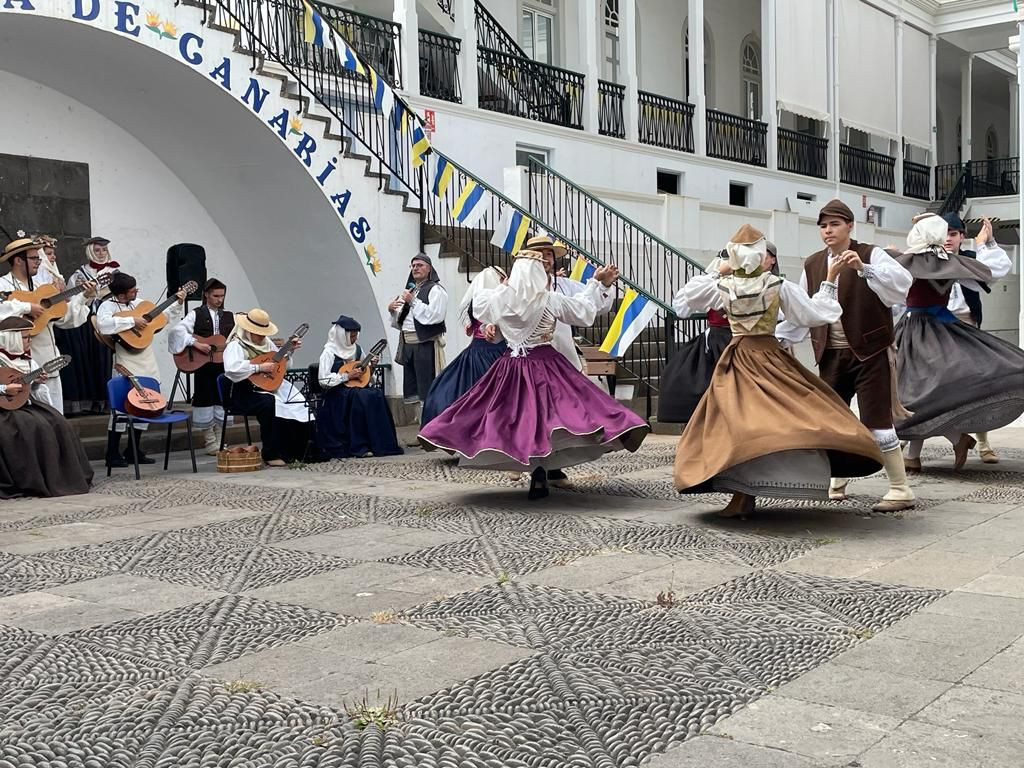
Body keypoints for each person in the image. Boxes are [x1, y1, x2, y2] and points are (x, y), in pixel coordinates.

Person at [675, 225, 883, 517]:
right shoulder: (777, 285)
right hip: (768, 357)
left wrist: (718, 271)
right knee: (775, 418)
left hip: (737, 359)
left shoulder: (723, 285)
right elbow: (814, 314)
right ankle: (743, 492)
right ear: (762, 256)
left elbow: (686, 299)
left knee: (738, 423)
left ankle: (744, 492)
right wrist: (830, 281)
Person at [418, 249, 649, 500]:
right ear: (538, 273)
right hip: (544, 363)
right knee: (550, 418)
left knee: (516, 419)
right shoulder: (548, 299)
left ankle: (536, 469)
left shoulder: (500, 299)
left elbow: (481, 310)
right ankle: (541, 470)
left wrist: (503, 294)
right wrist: (595, 283)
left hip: (511, 365)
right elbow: (584, 312)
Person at [776, 199, 914, 513]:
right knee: (832, 420)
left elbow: (900, 289)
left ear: (850, 226)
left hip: (870, 353)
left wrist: (863, 269)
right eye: (823, 226)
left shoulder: (870, 254)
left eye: (835, 224)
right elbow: (804, 311)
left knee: (877, 422)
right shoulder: (812, 264)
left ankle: (900, 488)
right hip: (831, 355)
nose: (828, 231)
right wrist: (779, 340)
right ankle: (837, 481)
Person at [893, 215, 1021, 470]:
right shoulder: (947, 262)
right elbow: (992, 271)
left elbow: (887, 288)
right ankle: (920, 453)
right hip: (939, 328)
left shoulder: (908, 261)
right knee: (924, 392)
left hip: (921, 330)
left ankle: (944, 445)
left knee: (919, 392)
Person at [659, 244, 780, 425]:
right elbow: (682, 308)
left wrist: (780, 338)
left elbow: (787, 317)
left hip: (755, 346)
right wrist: (717, 274)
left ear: (772, 260)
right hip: (717, 344)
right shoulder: (717, 284)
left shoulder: (773, 285)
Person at [95, 272, 185, 468]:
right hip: (125, 359)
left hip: (146, 359)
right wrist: (131, 321)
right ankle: (112, 453)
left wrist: (177, 303)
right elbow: (103, 325)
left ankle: (133, 450)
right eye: (132, 290)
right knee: (121, 405)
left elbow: (163, 318)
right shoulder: (107, 306)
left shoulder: (142, 304)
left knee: (147, 401)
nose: (136, 292)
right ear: (120, 294)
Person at [0, 236, 96, 413]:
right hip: (18, 370)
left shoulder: (42, 287)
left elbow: (64, 318)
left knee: (54, 418)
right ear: (19, 260)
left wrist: (84, 296)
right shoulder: (3, 285)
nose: (39, 261)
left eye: (39, 257)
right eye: (34, 258)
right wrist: (27, 307)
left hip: (48, 363)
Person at [0, 317, 93, 498]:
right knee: (36, 426)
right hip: (4, 411)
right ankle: (33, 480)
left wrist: (34, 383)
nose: (30, 341)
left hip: (24, 406)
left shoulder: (28, 361)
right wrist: (5, 389)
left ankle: (65, 477)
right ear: (11, 339)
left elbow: (29, 392)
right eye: (26, 338)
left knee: (58, 422)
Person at [222, 308, 313, 467]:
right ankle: (271, 453)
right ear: (248, 330)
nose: (261, 336)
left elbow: (280, 366)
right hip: (243, 391)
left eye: (263, 332)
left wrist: (289, 351)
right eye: (258, 333)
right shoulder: (236, 345)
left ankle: (299, 450)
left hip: (268, 386)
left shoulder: (267, 343)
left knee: (296, 400)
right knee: (270, 403)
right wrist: (258, 368)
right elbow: (231, 369)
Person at [421, 266, 507, 425]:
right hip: (493, 352)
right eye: (500, 278)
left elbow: (472, 326)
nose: (503, 281)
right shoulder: (497, 300)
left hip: (478, 351)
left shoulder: (475, 303)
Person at [315, 315, 402, 459]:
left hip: (355, 389)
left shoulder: (357, 350)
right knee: (361, 397)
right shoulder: (329, 352)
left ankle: (380, 444)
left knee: (376, 394)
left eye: (356, 336)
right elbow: (323, 379)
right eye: (352, 336)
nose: (354, 339)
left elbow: (364, 374)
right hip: (337, 393)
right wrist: (346, 376)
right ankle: (359, 446)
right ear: (342, 335)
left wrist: (371, 367)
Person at [167, 278, 233, 455]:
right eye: (215, 295)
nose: (219, 299)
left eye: (222, 296)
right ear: (206, 295)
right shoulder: (197, 313)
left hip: (222, 365)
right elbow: (177, 331)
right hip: (204, 366)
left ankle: (220, 441)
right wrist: (195, 343)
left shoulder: (229, 316)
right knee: (206, 398)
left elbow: (233, 340)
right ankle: (209, 441)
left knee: (221, 400)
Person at [61, 236, 120, 415]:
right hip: (84, 322)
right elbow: (70, 300)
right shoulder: (79, 274)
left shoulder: (115, 271)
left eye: (104, 250)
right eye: (97, 250)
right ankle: (88, 402)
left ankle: (105, 402)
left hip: (105, 318)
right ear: (90, 252)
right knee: (87, 359)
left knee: (104, 359)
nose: (101, 254)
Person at [387, 253, 447, 411]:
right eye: (413, 266)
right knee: (413, 389)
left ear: (429, 269)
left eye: (419, 265)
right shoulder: (411, 291)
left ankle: (429, 425)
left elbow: (435, 316)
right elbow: (403, 321)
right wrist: (392, 310)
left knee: (427, 387)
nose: (415, 268)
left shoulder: (436, 290)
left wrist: (412, 301)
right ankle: (420, 424)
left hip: (424, 345)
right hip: (408, 345)